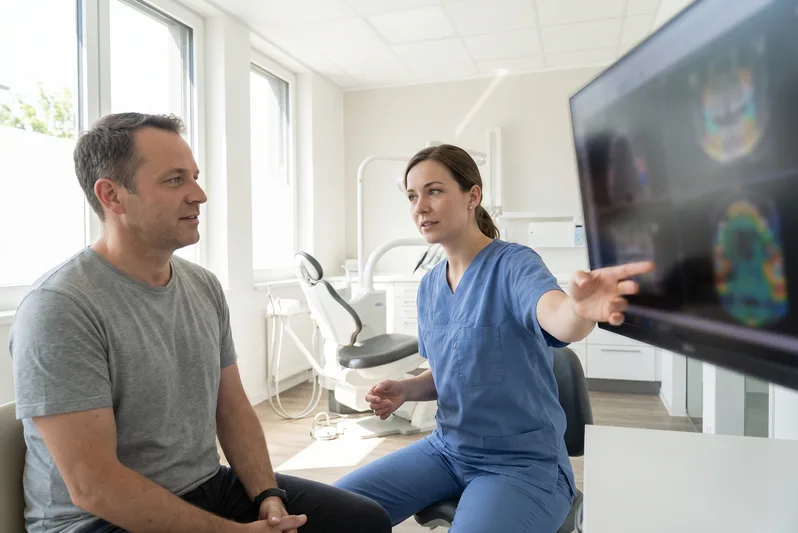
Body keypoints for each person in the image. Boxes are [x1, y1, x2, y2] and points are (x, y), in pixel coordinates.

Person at [9, 112, 392, 533]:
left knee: (363, 521)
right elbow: (94, 486)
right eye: (175, 180)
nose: (200, 195)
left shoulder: (203, 286)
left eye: (194, 177)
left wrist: (266, 495)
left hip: (206, 484)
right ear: (112, 196)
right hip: (95, 521)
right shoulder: (59, 308)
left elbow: (232, 408)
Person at [332, 144, 653, 532]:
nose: (420, 207)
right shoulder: (429, 286)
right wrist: (405, 389)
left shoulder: (514, 264)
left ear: (473, 196)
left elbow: (560, 318)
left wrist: (580, 310)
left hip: (522, 464)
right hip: (446, 450)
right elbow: (451, 374)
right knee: (326, 512)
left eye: (434, 191)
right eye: (413, 196)